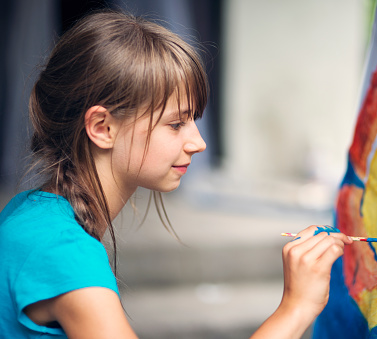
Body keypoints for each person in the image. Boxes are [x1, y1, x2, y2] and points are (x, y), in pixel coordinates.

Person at [0, 10, 352, 338]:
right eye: (176, 124)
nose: (197, 143)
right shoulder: (65, 253)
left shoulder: (30, 211)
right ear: (102, 127)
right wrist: (297, 307)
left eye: (194, 121)